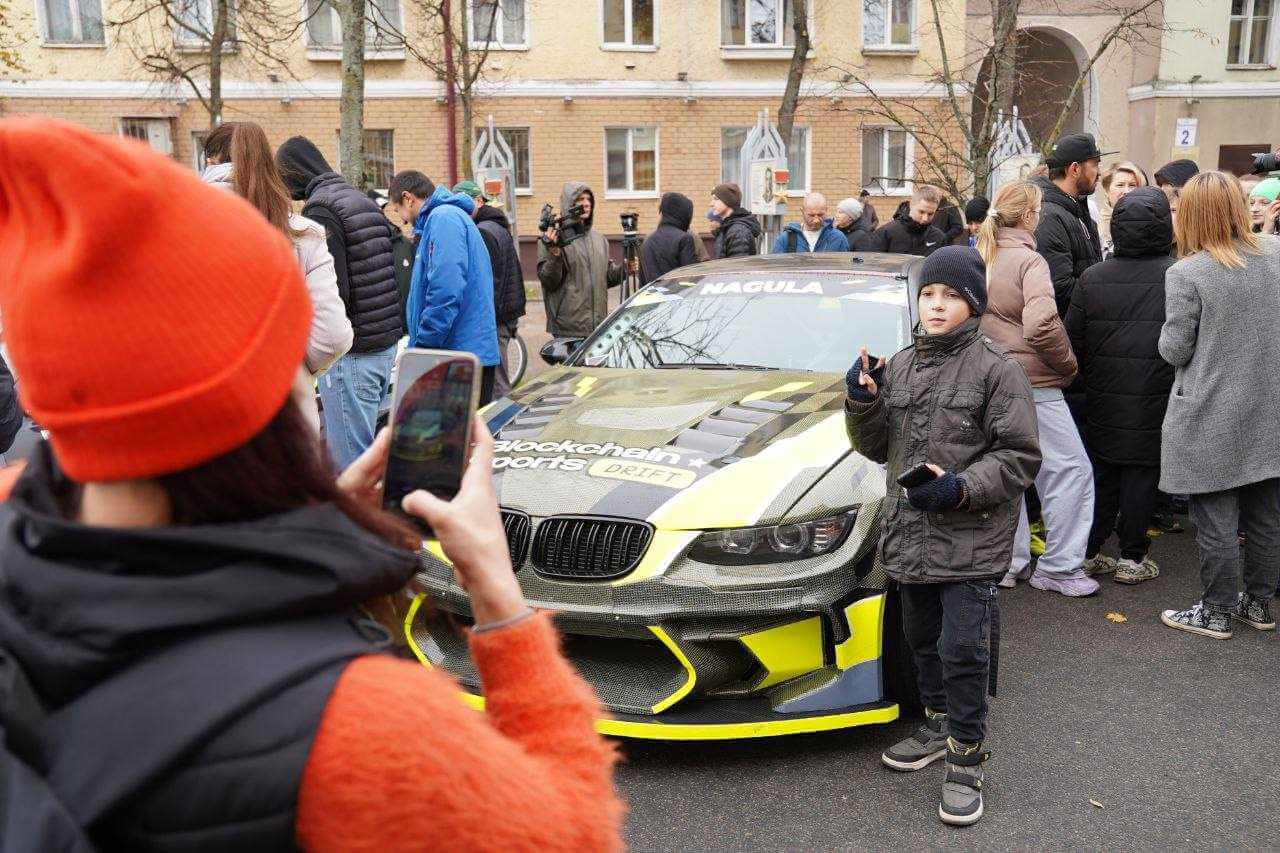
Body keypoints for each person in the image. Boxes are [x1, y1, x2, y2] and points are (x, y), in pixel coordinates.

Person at [0, 116, 625, 850]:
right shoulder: (369, 730)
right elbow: (577, 835)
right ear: (265, 390)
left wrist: (326, 541)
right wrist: (499, 596)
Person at [845, 246, 1040, 827]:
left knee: (964, 651)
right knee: (920, 639)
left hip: (970, 540)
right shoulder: (900, 365)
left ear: (973, 305)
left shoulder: (997, 369)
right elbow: (878, 447)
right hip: (910, 536)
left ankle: (967, 758)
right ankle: (934, 725)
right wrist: (862, 402)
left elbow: (1020, 456)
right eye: (929, 294)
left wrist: (958, 488)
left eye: (950, 296)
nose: (936, 305)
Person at [1156, 171, 1280, 639]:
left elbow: (1174, 350)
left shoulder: (1187, 273)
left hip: (1210, 410)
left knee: (1216, 517)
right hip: (1271, 406)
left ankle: (1216, 610)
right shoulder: (1277, 255)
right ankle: (1259, 604)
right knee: (1266, 515)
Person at [975, 181, 1093, 596]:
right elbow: (1042, 323)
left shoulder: (978, 256)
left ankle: (1009, 562)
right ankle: (1060, 568)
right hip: (1033, 382)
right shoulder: (1030, 262)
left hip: (986, 380)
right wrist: (1067, 365)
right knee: (1070, 470)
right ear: (1029, 217)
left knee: (1006, 471)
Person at [1065, 187, 1177, 586]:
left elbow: (1071, 339)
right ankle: (1132, 556)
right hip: (1156, 395)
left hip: (1102, 395)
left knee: (1103, 475)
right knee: (1142, 475)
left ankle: (1092, 550)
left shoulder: (1093, 278)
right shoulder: (1177, 275)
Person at [277, 136, 402, 471]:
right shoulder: (357, 198)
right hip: (383, 345)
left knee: (351, 465)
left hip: (352, 354)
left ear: (294, 173)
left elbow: (335, 292)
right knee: (370, 455)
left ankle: (359, 524)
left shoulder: (321, 210)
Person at [202, 122, 352, 378]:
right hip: (284, 399)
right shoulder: (305, 232)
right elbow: (331, 337)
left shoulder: (177, 225)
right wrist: (297, 373)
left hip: (206, 398)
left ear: (209, 162)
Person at [388, 171, 502, 405]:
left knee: (459, 439)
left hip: (458, 357)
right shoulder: (441, 219)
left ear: (408, 198)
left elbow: (445, 291)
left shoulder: (443, 219)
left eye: (397, 209)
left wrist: (423, 349)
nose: (402, 219)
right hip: (460, 353)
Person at [453, 180, 527, 398]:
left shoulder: (483, 232)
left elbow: (488, 284)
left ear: (478, 201)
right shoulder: (496, 227)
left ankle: (501, 429)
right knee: (498, 380)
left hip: (493, 320)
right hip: (504, 315)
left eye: (463, 204)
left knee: (496, 384)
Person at [1033, 133, 1112, 319]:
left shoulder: (1076, 209)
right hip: (1066, 335)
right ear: (1075, 169)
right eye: (1095, 164)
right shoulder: (1049, 216)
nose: (1099, 172)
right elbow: (1059, 289)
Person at [537, 180, 627, 340]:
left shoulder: (600, 240)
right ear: (569, 204)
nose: (586, 203)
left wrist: (626, 270)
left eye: (588, 199)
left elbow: (605, 278)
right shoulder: (554, 238)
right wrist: (555, 254)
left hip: (598, 327)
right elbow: (549, 281)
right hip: (568, 330)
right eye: (580, 199)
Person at [861, 185, 947, 256]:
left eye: (930, 214)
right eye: (921, 212)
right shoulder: (886, 233)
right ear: (911, 206)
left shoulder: (938, 237)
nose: (925, 218)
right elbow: (872, 266)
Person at [639, 191, 698, 285]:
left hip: (652, 297)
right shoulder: (684, 239)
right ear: (684, 214)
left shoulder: (648, 241)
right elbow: (690, 278)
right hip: (678, 296)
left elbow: (642, 280)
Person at [1097, 161, 1146, 258]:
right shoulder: (1095, 223)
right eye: (1120, 185)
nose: (1126, 191)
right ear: (1107, 190)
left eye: (1132, 185)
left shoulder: (1148, 222)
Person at [772, 192, 849, 253]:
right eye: (811, 215)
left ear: (826, 210)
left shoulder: (838, 238)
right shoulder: (786, 239)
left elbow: (845, 268)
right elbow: (775, 267)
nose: (816, 220)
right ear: (802, 211)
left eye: (820, 215)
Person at [709, 183, 762, 259]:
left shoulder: (737, 231)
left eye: (716, 199)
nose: (711, 204)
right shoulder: (727, 228)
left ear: (728, 201)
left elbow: (737, 267)